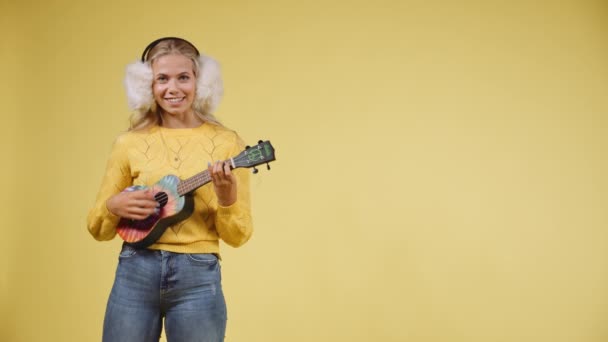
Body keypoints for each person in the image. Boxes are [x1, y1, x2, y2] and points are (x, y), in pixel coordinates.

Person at [87, 37, 253, 342]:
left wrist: (227, 198)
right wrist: (113, 206)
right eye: (161, 78)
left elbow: (239, 235)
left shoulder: (228, 143)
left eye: (183, 77)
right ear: (146, 85)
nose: (172, 88)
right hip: (135, 269)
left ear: (200, 83)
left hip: (199, 276)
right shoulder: (129, 143)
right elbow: (97, 228)